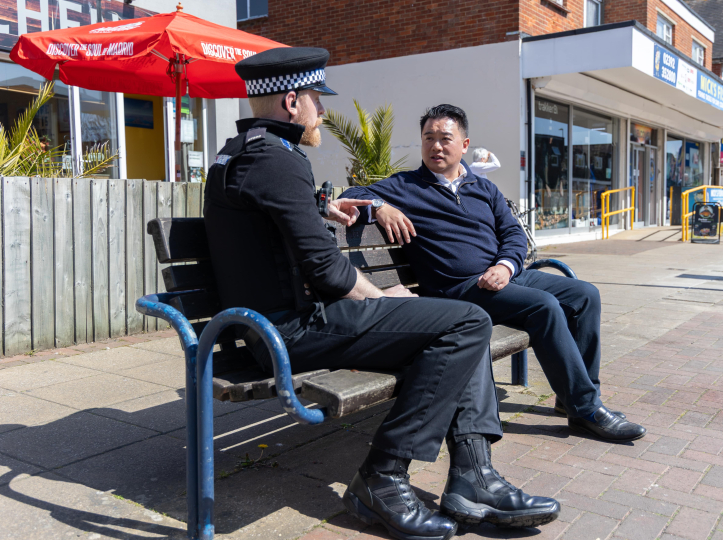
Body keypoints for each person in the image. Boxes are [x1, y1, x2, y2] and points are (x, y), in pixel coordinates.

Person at [203, 50, 560, 540]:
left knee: (458, 321)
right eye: (316, 101)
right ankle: (384, 477)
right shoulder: (277, 161)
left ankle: (473, 477)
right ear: (291, 102)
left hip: (269, 322)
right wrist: (382, 299)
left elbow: (269, 219)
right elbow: (326, 268)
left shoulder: (245, 150)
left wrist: (324, 206)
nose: (322, 113)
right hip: (289, 331)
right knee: (466, 323)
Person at [340, 104, 646, 443]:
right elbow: (349, 195)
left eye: (445, 138)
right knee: (542, 306)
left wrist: (505, 266)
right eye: (428, 138)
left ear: (465, 144)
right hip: (457, 289)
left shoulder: (482, 188)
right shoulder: (405, 186)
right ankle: (586, 409)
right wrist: (381, 206)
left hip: (504, 275)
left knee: (585, 294)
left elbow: (513, 234)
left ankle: (573, 398)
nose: (436, 146)